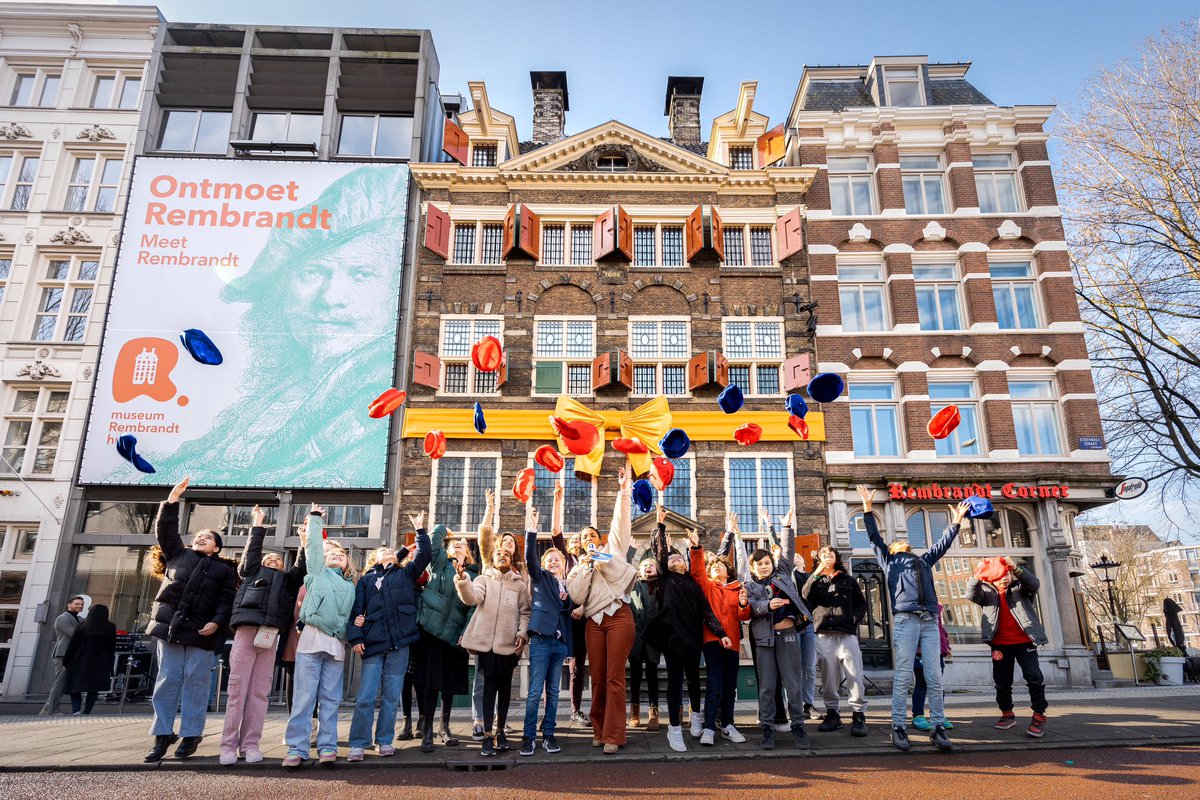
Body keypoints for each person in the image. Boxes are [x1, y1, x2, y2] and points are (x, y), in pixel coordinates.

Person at [140, 166, 410, 488]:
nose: (330, 298)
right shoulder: (280, 391)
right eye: (313, 273)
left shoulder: (376, 402)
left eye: (362, 274)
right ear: (282, 290)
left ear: (397, 287)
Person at [859, 484, 968, 753]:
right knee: (904, 675)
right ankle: (898, 727)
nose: (903, 540)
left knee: (934, 677)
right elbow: (874, 538)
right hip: (907, 620)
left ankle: (938, 728)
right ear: (894, 549)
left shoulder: (924, 560)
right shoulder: (889, 560)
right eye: (898, 541)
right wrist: (867, 509)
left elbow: (941, 545)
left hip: (930, 620)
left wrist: (955, 523)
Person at [144, 477, 238, 763]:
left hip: (202, 632)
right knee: (167, 680)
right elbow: (165, 530)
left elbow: (226, 601)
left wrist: (216, 623)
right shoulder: (178, 555)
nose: (201, 538)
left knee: (195, 682)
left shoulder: (224, 571)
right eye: (199, 535)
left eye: (208, 537)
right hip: (170, 627)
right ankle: (162, 734)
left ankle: (191, 733)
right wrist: (172, 500)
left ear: (217, 548)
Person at [219, 505, 307, 765]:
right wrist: (258, 523)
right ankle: (228, 745)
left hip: (270, 636)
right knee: (237, 690)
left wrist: (303, 541)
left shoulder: (286, 581)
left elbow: (301, 568)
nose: (274, 562)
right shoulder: (251, 573)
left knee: (259, 692)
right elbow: (251, 555)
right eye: (270, 560)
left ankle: (250, 744)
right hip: (247, 631)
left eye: (278, 561)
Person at [346, 514, 431, 761]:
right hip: (373, 644)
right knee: (366, 697)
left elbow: (424, 555)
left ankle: (384, 741)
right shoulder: (366, 580)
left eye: (392, 551)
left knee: (392, 697)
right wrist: (355, 638)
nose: (390, 552)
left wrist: (420, 529)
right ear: (375, 558)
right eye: (385, 550)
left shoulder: (404, 575)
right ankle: (358, 743)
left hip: (399, 645)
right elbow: (356, 611)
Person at [644, 506, 729, 752]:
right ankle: (673, 728)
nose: (674, 560)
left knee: (693, 680)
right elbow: (660, 553)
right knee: (674, 681)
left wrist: (721, 633)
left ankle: (697, 715)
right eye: (671, 559)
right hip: (672, 638)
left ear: (685, 563)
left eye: (678, 558)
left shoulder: (694, 584)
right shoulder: (665, 580)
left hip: (693, 637)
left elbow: (706, 612)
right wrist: (660, 526)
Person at [565, 465, 637, 755]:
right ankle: (598, 728)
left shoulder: (613, 551)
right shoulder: (578, 569)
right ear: (580, 546)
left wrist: (623, 491)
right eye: (584, 538)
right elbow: (576, 595)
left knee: (614, 676)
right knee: (597, 676)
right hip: (594, 621)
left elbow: (621, 524)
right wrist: (585, 567)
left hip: (619, 615)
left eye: (593, 535)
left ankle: (614, 735)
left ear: (599, 538)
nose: (589, 539)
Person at [282, 506, 356, 768]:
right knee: (303, 698)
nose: (337, 555)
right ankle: (296, 748)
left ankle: (327, 746)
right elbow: (313, 548)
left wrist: (354, 626)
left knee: (330, 700)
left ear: (348, 564)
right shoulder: (315, 574)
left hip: (335, 647)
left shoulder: (350, 587)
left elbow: (350, 617)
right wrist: (315, 518)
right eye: (332, 553)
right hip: (311, 643)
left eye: (342, 555)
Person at [454, 526, 531, 757]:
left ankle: (501, 730)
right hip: (486, 646)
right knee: (488, 690)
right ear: (494, 558)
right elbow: (472, 598)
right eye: (498, 554)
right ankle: (487, 734)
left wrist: (522, 633)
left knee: (505, 690)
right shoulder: (484, 579)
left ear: (511, 559)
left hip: (508, 646)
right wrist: (462, 579)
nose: (502, 556)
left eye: (506, 555)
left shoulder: (519, 585)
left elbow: (525, 612)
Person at [743, 509, 812, 751]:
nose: (763, 567)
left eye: (766, 563)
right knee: (767, 686)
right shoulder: (750, 586)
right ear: (752, 568)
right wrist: (766, 605)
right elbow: (751, 608)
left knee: (793, 684)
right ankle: (768, 729)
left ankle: (799, 727)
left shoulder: (782, 574)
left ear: (772, 563)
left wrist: (786, 527)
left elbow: (788, 551)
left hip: (789, 635)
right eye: (758, 564)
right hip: (764, 640)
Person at [413, 523, 478, 753]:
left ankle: (445, 727)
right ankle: (428, 729)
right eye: (455, 543)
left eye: (463, 544)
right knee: (431, 683)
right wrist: (443, 530)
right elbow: (431, 545)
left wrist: (465, 633)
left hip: (454, 635)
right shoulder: (440, 562)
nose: (459, 544)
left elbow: (473, 608)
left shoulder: (473, 574)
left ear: (468, 553)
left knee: (448, 684)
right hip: (431, 632)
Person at [968, 556, 1049, 737]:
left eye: (1008, 574)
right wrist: (977, 575)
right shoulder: (986, 593)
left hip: (1025, 642)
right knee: (1002, 682)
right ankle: (1007, 714)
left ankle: (1039, 716)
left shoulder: (1020, 588)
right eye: (1001, 574)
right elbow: (970, 594)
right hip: (1000, 644)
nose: (1005, 577)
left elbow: (1034, 584)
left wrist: (1016, 569)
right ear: (993, 577)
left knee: (1034, 677)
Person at [689, 513, 751, 746]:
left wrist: (744, 605)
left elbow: (743, 617)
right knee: (714, 684)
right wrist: (696, 548)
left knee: (730, 686)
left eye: (719, 566)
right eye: (712, 567)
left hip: (733, 642)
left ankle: (727, 724)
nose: (715, 569)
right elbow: (697, 572)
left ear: (727, 570)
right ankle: (708, 728)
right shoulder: (708, 586)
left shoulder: (737, 588)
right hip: (713, 640)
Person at [520, 492, 574, 757]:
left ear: (564, 565)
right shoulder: (540, 579)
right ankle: (528, 737)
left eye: (558, 560)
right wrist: (532, 530)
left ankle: (549, 734)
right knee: (533, 692)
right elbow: (530, 559)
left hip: (559, 643)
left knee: (553, 692)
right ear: (544, 565)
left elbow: (570, 612)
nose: (554, 562)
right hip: (541, 639)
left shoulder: (568, 585)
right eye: (550, 559)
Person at [469, 490, 525, 741]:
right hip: (487, 636)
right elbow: (483, 538)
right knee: (484, 681)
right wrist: (490, 508)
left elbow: (525, 607)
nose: (505, 546)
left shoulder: (520, 576)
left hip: (509, 637)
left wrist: (522, 632)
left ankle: (500, 724)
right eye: (502, 543)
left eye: (510, 544)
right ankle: (481, 721)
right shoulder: (487, 570)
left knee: (503, 684)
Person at [802, 545, 869, 737]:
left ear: (836, 557)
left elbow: (861, 604)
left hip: (846, 634)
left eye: (830, 553)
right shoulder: (816, 580)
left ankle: (858, 715)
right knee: (829, 678)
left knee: (855, 675)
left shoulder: (847, 580)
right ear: (818, 560)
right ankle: (833, 714)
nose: (828, 556)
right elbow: (805, 595)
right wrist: (816, 572)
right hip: (824, 634)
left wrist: (854, 618)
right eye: (823, 554)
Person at [627, 556, 661, 731]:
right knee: (635, 676)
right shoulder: (634, 584)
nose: (648, 567)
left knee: (652, 675)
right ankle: (634, 711)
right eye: (645, 565)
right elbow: (622, 568)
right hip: (636, 636)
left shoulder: (661, 586)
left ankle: (653, 713)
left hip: (653, 637)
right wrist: (630, 551)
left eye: (652, 565)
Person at [63, 603, 116, 715]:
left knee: (76, 685)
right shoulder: (110, 627)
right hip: (100, 660)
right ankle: (87, 711)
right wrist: (110, 665)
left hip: (81, 659)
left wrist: (66, 661)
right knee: (94, 687)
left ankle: (76, 710)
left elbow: (72, 645)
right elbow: (112, 647)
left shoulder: (82, 626)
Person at [911, 605, 953, 732]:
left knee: (938, 684)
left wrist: (946, 646)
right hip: (920, 652)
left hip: (937, 651)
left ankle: (938, 714)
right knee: (922, 684)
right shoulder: (914, 607)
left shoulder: (937, 608)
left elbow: (941, 629)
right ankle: (918, 715)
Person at [40, 596, 84, 715]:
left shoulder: (79, 619)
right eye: (77, 604)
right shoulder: (62, 618)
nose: (80, 606)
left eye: (81, 604)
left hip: (72, 655)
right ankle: (50, 709)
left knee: (62, 683)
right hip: (63, 654)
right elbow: (74, 634)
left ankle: (48, 708)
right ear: (69, 605)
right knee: (60, 683)